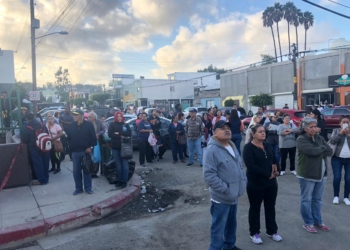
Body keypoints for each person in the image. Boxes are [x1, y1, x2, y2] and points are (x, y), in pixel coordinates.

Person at [203, 120, 247, 250]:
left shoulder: (232, 146)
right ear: (215, 133)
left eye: (228, 127)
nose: (227, 130)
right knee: (218, 227)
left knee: (231, 224)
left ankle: (229, 245)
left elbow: (239, 167)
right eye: (222, 128)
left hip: (234, 195)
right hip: (221, 198)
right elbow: (209, 176)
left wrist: (242, 182)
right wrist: (226, 190)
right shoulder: (211, 150)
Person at [296, 117, 333, 233]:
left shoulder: (320, 138)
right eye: (311, 127)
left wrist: (319, 149)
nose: (314, 129)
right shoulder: (301, 139)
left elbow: (330, 151)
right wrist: (321, 149)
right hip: (307, 174)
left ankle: (318, 221)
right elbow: (311, 151)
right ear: (305, 128)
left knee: (317, 199)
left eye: (315, 126)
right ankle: (308, 222)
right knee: (306, 199)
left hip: (321, 174)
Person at [68, 109, 97, 195]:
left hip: (86, 151)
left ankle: (88, 188)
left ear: (81, 116)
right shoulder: (71, 125)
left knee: (87, 170)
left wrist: (90, 147)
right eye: (73, 115)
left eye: (75, 115)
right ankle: (78, 188)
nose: (73, 117)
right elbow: (69, 138)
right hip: (75, 152)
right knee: (76, 171)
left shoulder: (89, 125)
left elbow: (93, 138)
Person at [22, 113, 50, 185]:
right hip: (44, 146)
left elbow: (25, 139)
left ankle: (42, 180)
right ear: (34, 117)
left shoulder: (27, 127)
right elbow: (47, 132)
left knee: (38, 164)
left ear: (26, 119)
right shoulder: (41, 124)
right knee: (45, 162)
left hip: (34, 147)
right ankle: (46, 177)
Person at [329, 115, 350, 205]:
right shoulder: (336, 131)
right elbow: (332, 141)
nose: (345, 124)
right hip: (337, 158)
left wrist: (349, 135)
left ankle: (346, 197)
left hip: (349, 159)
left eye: (347, 122)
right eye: (343, 122)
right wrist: (341, 133)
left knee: (348, 179)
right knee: (337, 178)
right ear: (340, 124)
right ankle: (336, 196)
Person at [108, 111, 132, 189]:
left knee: (125, 164)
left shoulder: (125, 124)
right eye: (117, 116)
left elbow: (129, 133)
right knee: (118, 165)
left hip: (124, 148)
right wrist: (120, 135)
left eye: (120, 116)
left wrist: (118, 133)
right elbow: (110, 134)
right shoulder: (112, 124)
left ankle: (124, 181)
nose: (119, 118)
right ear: (115, 117)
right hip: (115, 147)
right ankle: (120, 180)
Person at [88, 111, 105, 178]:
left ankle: (95, 172)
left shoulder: (99, 122)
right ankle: (90, 171)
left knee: (96, 156)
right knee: (90, 157)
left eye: (90, 117)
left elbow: (103, 130)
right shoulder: (87, 123)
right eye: (88, 117)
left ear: (94, 117)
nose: (89, 118)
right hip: (89, 142)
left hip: (97, 141)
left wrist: (98, 134)